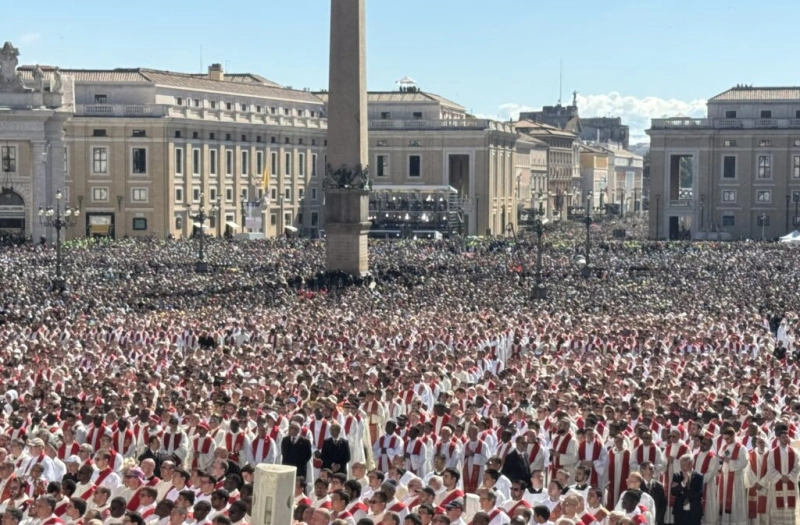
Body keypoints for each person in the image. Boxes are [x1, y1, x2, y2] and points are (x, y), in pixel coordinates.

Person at [763, 424, 800, 525]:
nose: (785, 438)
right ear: (778, 438)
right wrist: (780, 477)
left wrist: (789, 477)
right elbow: (770, 468)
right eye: (783, 437)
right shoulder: (772, 453)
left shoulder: (795, 452)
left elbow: (798, 466)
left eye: (787, 436)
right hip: (777, 485)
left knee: (790, 509)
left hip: (790, 483)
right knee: (777, 507)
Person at [670, 455, 703, 525]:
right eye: (681, 465)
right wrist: (683, 483)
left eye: (684, 465)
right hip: (679, 511)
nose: (682, 467)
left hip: (694, 511)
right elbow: (673, 492)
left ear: (691, 464)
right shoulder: (677, 476)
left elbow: (698, 494)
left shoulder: (699, 477)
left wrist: (682, 491)